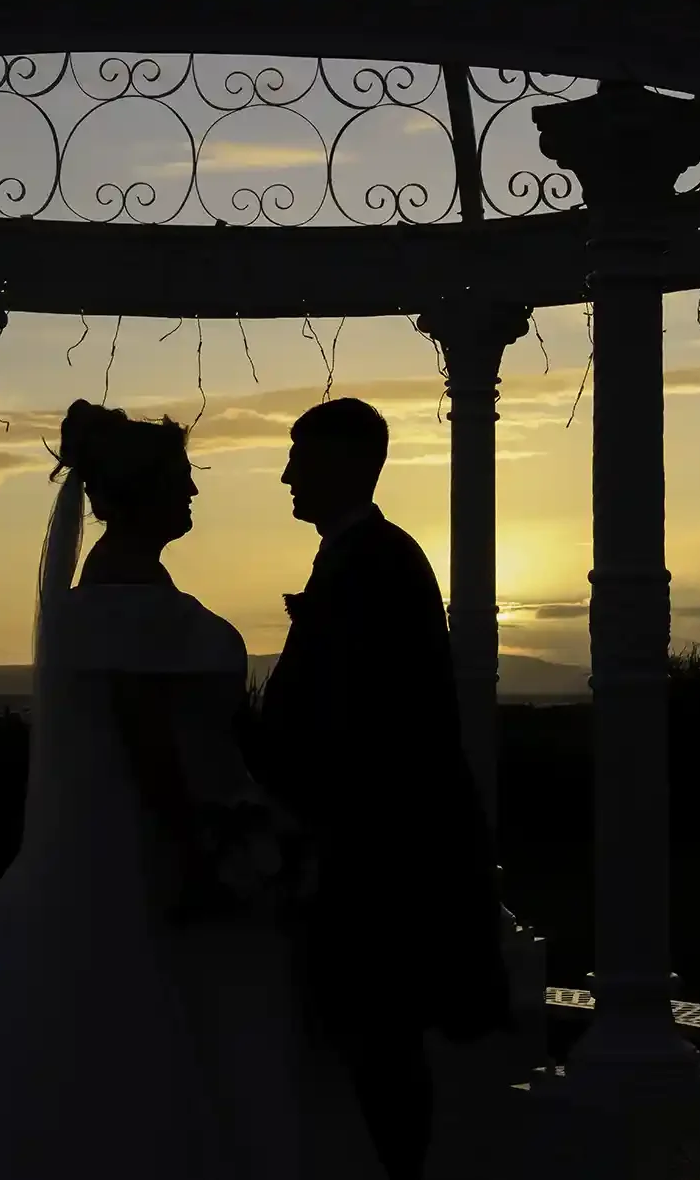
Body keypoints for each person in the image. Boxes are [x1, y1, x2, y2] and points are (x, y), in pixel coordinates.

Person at [0, 400, 384, 1180]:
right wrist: (203, 847)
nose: (193, 494)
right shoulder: (120, 591)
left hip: (179, 834)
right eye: (182, 480)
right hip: (157, 854)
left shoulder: (133, 581)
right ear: (142, 490)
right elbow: (147, 745)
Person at [255, 397, 516, 1180]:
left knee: (380, 1035)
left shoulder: (374, 562)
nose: (285, 475)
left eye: (299, 456)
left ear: (342, 460)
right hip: (372, 844)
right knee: (373, 1036)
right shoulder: (364, 555)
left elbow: (360, 722)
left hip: (378, 853)